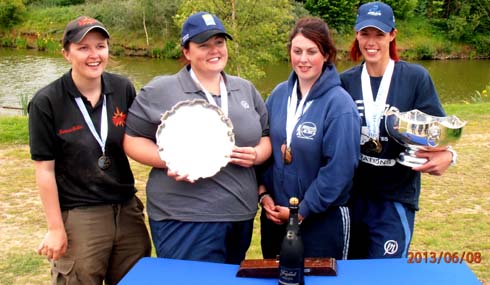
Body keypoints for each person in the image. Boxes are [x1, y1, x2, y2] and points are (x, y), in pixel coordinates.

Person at [123, 11, 271, 264]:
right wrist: (170, 160)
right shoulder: (160, 89)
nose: (214, 50)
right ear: (187, 51)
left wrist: (257, 154)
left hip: (240, 215)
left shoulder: (244, 88)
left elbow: (265, 137)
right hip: (184, 217)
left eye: (219, 43)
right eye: (204, 45)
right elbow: (132, 140)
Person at [28, 16, 151, 285]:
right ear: (66, 53)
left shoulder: (122, 88)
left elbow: (141, 138)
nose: (94, 55)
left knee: (137, 279)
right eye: (83, 48)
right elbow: (44, 171)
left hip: (127, 208)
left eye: (100, 46)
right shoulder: (46, 101)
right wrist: (55, 228)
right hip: (81, 213)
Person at [340, 2, 456, 259]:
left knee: (386, 275)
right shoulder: (345, 81)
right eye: (365, 33)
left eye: (379, 34)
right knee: (350, 275)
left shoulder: (415, 78)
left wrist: (449, 155)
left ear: (392, 34)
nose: (371, 42)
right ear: (356, 34)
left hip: (394, 199)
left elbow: (438, 133)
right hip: (352, 198)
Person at [259, 17, 361, 260]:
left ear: (326, 54)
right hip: (275, 217)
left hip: (321, 221)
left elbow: (340, 170)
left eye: (311, 51)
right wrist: (263, 195)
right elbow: (264, 145)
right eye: (297, 51)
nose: (303, 59)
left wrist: (301, 211)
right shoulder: (278, 95)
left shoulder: (340, 105)